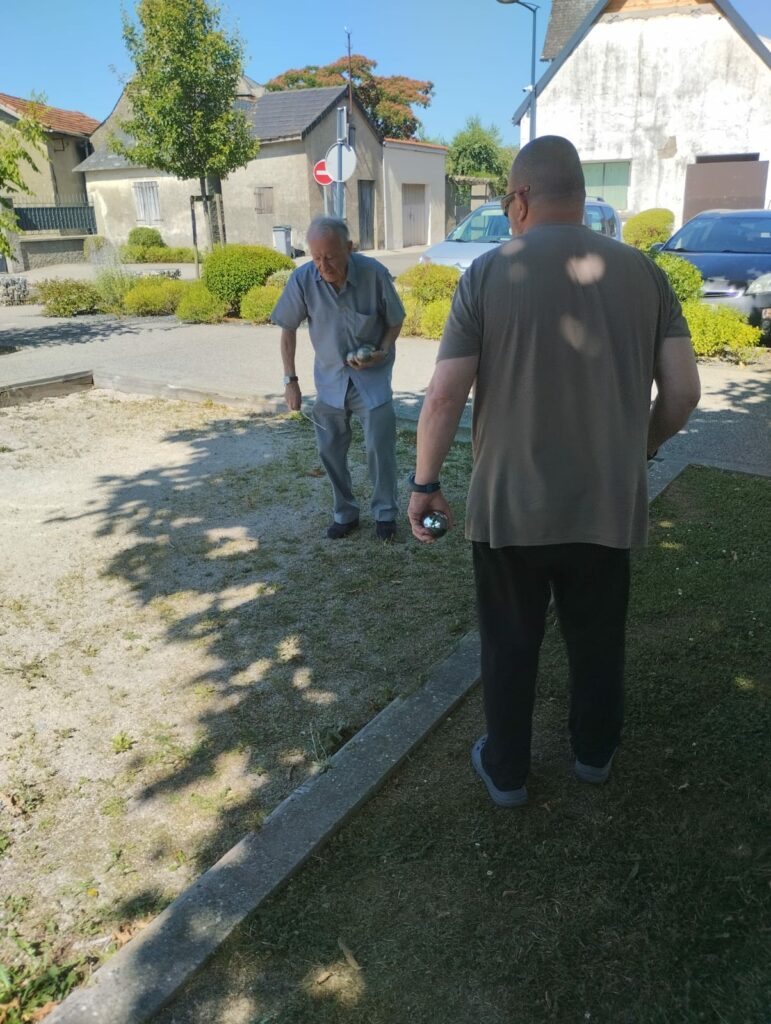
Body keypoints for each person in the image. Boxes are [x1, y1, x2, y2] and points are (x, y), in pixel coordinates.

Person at [407, 136, 700, 808]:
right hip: (605, 503)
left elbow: (444, 396)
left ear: (519, 199)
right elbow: (683, 393)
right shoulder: (645, 273)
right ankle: (593, 755)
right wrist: (640, 449)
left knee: (509, 644)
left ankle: (507, 773)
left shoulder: (487, 273)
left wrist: (425, 483)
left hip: (509, 508)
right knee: (597, 640)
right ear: (581, 197)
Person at [272, 217, 405, 541]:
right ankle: (345, 513)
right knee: (329, 451)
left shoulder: (374, 274)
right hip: (330, 381)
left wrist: (382, 351)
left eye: (330, 257)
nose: (323, 266)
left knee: (380, 448)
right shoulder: (303, 279)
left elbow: (395, 320)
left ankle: (385, 513)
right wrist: (290, 380)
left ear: (349, 248)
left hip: (372, 379)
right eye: (316, 257)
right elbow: (287, 329)